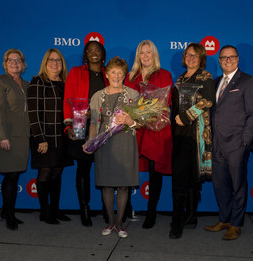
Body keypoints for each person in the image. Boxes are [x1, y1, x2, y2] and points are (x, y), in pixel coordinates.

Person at [204, 45, 253, 240]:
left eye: (231, 57)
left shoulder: (248, 82)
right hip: (216, 144)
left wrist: (245, 141)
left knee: (238, 185)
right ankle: (224, 219)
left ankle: (236, 224)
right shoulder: (216, 82)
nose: (227, 61)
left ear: (238, 59)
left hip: (237, 144)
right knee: (220, 185)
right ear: (219, 61)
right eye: (223, 58)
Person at [83, 56, 139, 238]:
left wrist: (131, 121)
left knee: (123, 186)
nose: (116, 76)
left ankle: (120, 223)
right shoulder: (97, 96)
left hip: (125, 143)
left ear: (125, 75)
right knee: (106, 185)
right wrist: (90, 141)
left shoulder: (133, 95)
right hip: (104, 144)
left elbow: (140, 123)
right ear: (107, 74)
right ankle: (109, 222)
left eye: (120, 73)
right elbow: (92, 123)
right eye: (113, 72)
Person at [124, 40, 173, 229]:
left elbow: (164, 103)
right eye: (142, 53)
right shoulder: (131, 77)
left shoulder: (164, 74)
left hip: (156, 129)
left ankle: (151, 212)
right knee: (128, 167)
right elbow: (125, 102)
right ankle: (125, 206)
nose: (145, 56)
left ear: (154, 55)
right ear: (138, 56)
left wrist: (144, 111)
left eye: (149, 52)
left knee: (155, 171)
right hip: (134, 129)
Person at [170, 43, 215, 239]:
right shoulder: (180, 78)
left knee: (184, 178)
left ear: (201, 58)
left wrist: (186, 117)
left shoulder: (205, 77)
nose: (191, 58)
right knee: (185, 177)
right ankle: (190, 216)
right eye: (188, 55)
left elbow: (208, 100)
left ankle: (178, 222)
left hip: (195, 135)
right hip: (179, 134)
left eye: (195, 56)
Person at [63, 41, 109, 227]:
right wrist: (68, 125)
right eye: (89, 50)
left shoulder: (110, 73)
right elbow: (67, 100)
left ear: (103, 53)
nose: (94, 52)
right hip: (81, 126)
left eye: (97, 49)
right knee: (83, 168)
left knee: (105, 169)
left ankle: (107, 209)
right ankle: (85, 209)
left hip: (105, 128)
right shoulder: (76, 72)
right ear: (85, 55)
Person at [28, 48, 73, 225]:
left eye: (58, 60)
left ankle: (55, 209)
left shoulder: (65, 83)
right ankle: (44, 211)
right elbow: (33, 112)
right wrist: (40, 138)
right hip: (45, 138)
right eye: (51, 60)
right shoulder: (38, 82)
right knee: (45, 173)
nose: (55, 63)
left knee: (57, 174)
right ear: (45, 63)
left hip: (61, 138)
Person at [0, 48, 30, 230]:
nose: (14, 63)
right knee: (11, 175)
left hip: (22, 136)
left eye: (18, 60)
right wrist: (3, 136)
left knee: (15, 174)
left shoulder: (27, 84)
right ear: (5, 64)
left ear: (23, 63)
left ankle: (6, 210)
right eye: (10, 60)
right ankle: (9, 215)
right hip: (5, 136)